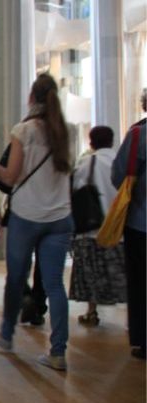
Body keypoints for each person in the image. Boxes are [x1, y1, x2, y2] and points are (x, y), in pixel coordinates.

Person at [0, 73, 74, 371]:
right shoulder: (69, 131)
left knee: (16, 277)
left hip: (27, 216)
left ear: (32, 99)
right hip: (60, 217)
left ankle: (6, 334)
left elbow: (9, 177)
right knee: (55, 285)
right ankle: (58, 352)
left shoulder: (24, 131)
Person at [69, 126, 126, 327]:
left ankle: (91, 312)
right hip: (120, 227)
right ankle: (131, 317)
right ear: (112, 141)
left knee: (92, 272)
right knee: (124, 273)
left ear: (91, 142)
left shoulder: (87, 162)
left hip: (93, 226)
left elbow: (75, 189)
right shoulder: (121, 161)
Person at [111, 90, 146, 359]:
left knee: (140, 281)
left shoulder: (137, 136)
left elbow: (119, 175)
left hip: (140, 222)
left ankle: (143, 338)